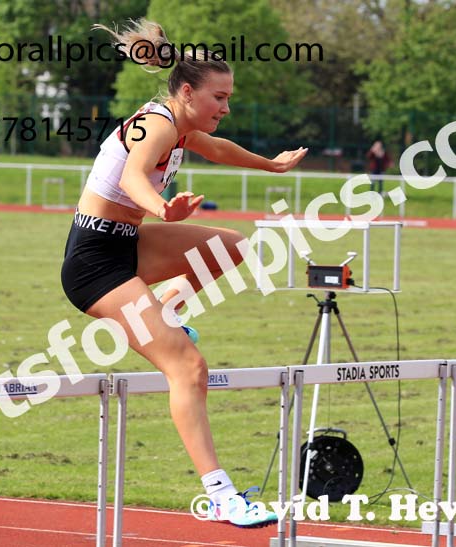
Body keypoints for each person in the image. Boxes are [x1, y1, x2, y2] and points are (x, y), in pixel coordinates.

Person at [60, 19, 307, 528]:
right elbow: (132, 174)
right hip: (94, 263)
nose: (227, 107)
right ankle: (220, 495)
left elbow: (219, 149)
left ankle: (167, 311)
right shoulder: (157, 124)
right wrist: (161, 208)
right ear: (188, 91)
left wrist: (271, 166)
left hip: (127, 245)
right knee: (188, 368)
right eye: (220, 97)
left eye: (230, 97)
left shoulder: (183, 125)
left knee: (230, 248)